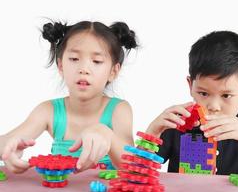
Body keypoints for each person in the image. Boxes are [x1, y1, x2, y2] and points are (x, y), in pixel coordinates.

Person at [0, 20, 138, 173]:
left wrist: (108, 136)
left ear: (113, 71)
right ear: (60, 66)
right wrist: (7, 148)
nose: (84, 69)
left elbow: (134, 167)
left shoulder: (119, 110)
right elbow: (5, 141)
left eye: (97, 61)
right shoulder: (49, 110)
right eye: (74, 59)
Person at [146, 31, 238, 175]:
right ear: (191, 86)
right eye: (203, 93)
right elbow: (138, 176)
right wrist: (152, 133)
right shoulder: (174, 129)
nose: (214, 106)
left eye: (226, 95)